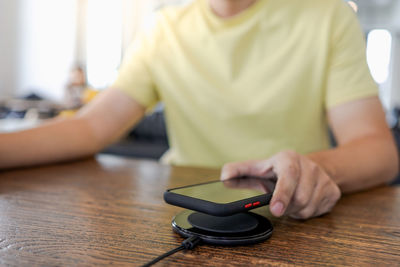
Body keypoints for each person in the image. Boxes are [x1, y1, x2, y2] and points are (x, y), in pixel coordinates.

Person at [0, 0, 398, 220]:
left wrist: (317, 169)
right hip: (178, 212)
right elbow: (90, 128)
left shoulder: (327, 15)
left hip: (289, 215)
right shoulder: (163, 29)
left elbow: (377, 151)